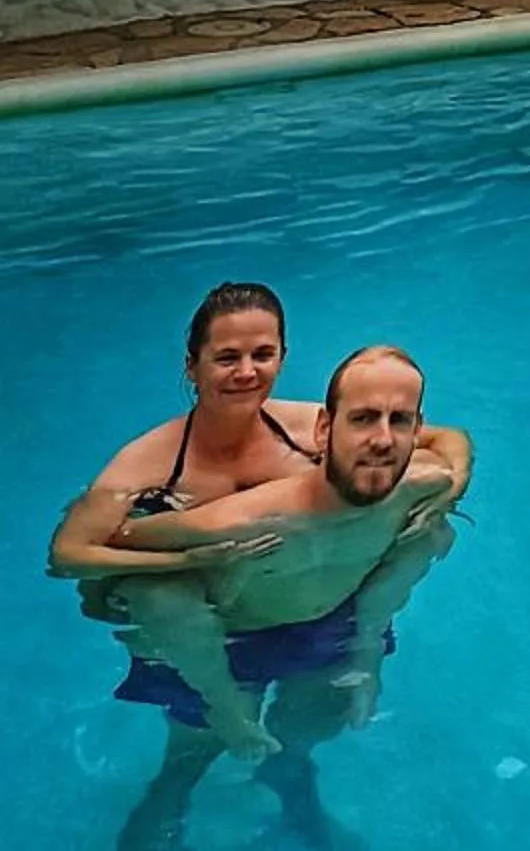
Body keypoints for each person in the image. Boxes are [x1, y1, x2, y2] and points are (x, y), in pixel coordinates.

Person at [49, 281, 472, 760]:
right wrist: (185, 560)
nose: (247, 372)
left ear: (282, 358)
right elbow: (70, 554)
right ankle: (217, 718)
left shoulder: (307, 425)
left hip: (302, 589)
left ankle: (299, 767)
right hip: (214, 617)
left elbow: (447, 439)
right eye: (228, 357)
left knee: (432, 531)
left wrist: (452, 485)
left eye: (263, 355)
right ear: (192, 365)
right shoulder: (146, 464)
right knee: (187, 731)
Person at [101, 345, 462, 849]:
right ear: (324, 430)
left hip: (329, 623)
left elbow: (455, 450)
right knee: (193, 753)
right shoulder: (250, 517)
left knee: (433, 533)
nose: (383, 439)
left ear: (416, 430)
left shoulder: (424, 486)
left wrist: (367, 653)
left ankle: (290, 778)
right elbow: (115, 540)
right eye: (363, 419)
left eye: (399, 421)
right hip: (229, 641)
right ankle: (172, 791)